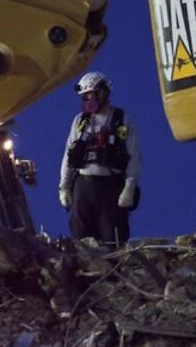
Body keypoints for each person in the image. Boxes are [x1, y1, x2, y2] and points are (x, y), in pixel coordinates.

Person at [58, 72, 142, 249]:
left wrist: (129, 187)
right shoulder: (80, 121)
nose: (87, 100)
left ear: (103, 93)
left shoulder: (121, 121)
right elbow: (68, 154)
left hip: (110, 188)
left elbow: (133, 156)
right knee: (81, 238)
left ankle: (114, 272)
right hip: (83, 186)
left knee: (113, 237)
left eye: (91, 95)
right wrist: (64, 186)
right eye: (84, 97)